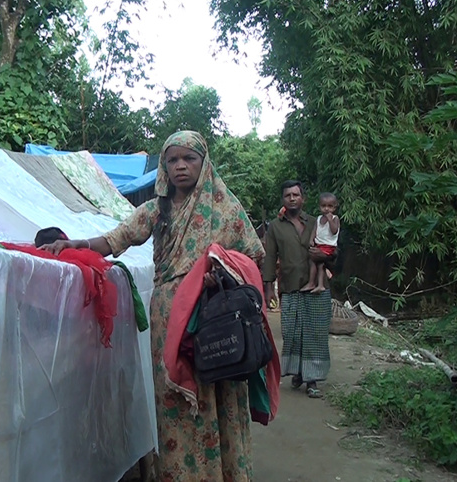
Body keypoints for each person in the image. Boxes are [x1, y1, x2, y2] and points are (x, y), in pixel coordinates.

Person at [41, 131, 264, 481]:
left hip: (215, 313)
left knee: (219, 383)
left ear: (203, 163)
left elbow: (252, 257)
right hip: (169, 315)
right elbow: (117, 238)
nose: (180, 166)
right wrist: (74, 244)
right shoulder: (156, 209)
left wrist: (219, 272)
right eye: (172, 160)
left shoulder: (226, 206)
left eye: (188, 159)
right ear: (164, 167)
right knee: (174, 391)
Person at [262, 181, 336, 399]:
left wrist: (328, 256)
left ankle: (312, 381)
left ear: (303, 198)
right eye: (288, 195)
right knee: (292, 333)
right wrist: (269, 288)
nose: (292, 198)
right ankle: (298, 371)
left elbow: (333, 245)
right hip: (290, 286)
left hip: (317, 289)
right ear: (283, 199)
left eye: (296, 194)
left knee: (315, 334)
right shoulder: (275, 226)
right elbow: (269, 259)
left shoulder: (317, 221)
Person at [300, 192, 340, 293]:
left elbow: (334, 231)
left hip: (329, 246)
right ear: (319, 207)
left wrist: (330, 220)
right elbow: (315, 230)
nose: (326, 209)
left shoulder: (335, 219)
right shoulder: (318, 219)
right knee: (319, 263)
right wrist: (311, 239)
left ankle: (312, 282)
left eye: (330, 206)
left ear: (334, 208)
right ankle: (319, 285)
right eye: (324, 206)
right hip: (319, 245)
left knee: (313, 259)